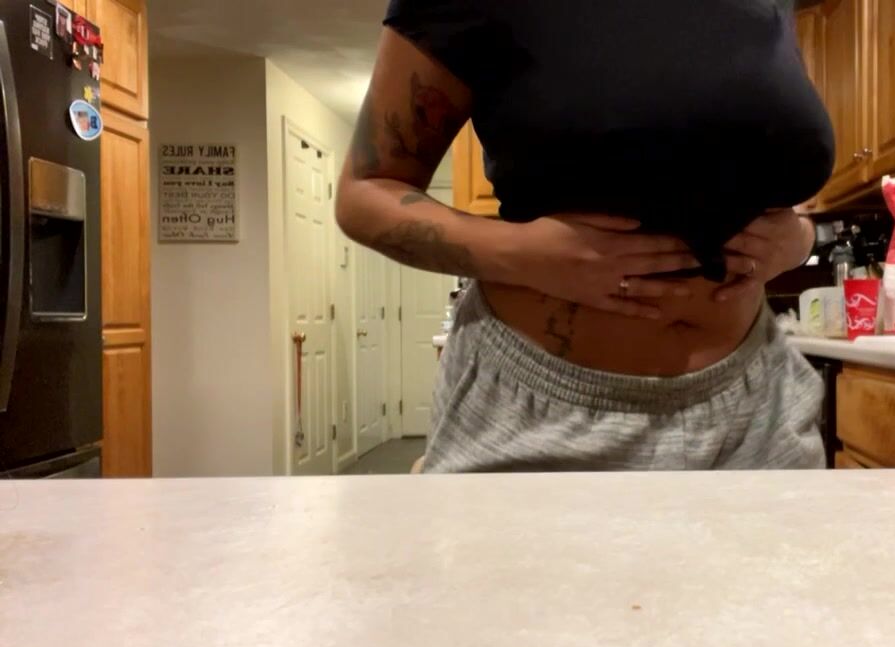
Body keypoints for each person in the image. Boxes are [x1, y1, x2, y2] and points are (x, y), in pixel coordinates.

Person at [336, 0, 836, 473]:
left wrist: (797, 240)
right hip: (541, 415)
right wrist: (524, 254)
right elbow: (366, 192)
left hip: (758, 403)